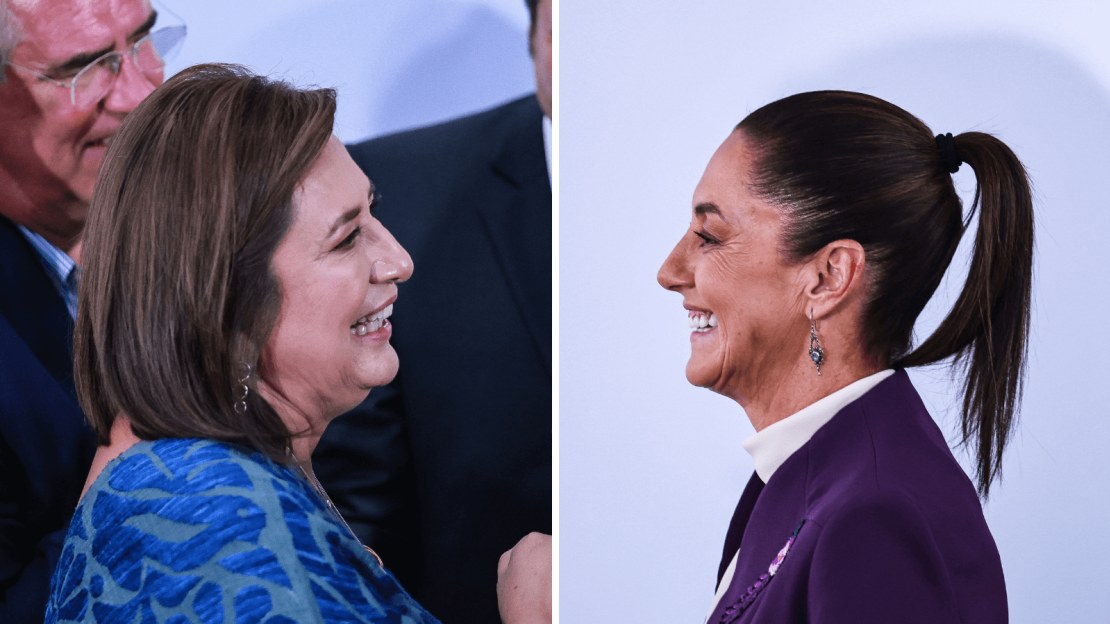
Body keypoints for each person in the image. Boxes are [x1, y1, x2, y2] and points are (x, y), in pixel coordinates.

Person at [43, 63, 547, 624]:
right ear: (230, 302)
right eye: (348, 237)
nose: (400, 261)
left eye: (374, 213)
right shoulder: (226, 534)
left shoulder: (199, 484)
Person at [656, 90, 1032, 623]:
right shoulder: (806, 475)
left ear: (828, 277)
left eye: (709, 236)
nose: (670, 271)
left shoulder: (876, 515)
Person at [312, 0, 553, 621]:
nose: (393, 263)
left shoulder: (759, 193)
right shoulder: (395, 187)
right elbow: (357, 513)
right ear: (537, 32)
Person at [0, 0, 184, 619]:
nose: (138, 93)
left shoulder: (211, 222)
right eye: (86, 67)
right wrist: (134, 473)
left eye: (143, 41)